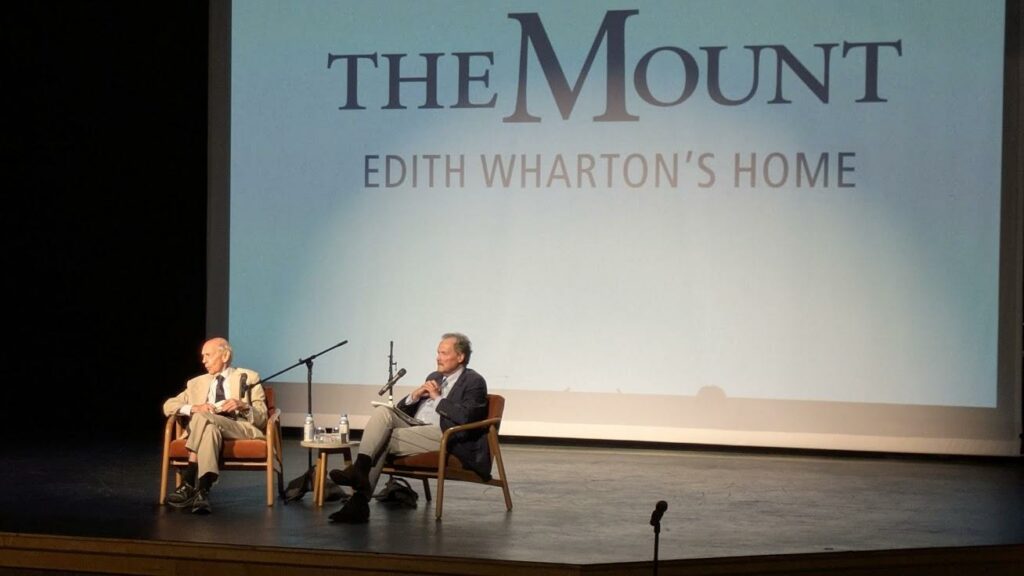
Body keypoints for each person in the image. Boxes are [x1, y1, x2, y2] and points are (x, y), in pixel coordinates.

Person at [328, 332, 490, 523]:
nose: (438, 358)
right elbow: (401, 411)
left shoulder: (474, 381)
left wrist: (437, 398)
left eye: (444, 353)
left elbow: (466, 417)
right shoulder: (435, 376)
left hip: (445, 434)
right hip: (416, 426)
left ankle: (359, 499)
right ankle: (360, 470)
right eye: (438, 353)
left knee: (384, 438)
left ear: (460, 357)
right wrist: (415, 396)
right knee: (383, 411)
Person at [162, 337, 266, 514]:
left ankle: (188, 481)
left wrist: (243, 406)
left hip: (238, 427)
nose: (203, 361)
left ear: (225, 356)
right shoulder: (196, 383)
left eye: (208, 355)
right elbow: (168, 405)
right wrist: (194, 408)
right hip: (208, 428)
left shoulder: (249, 377)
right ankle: (202, 492)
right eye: (203, 356)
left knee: (203, 417)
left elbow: (263, 417)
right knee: (209, 428)